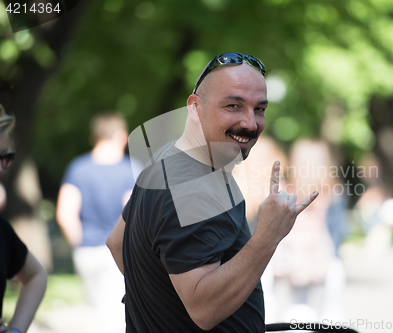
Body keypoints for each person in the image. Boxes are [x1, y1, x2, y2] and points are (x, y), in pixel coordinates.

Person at [106, 52, 318, 332]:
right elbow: (204, 309)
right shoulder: (196, 185)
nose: (250, 123)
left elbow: (116, 241)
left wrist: (161, 303)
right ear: (195, 108)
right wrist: (268, 237)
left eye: (259, 109)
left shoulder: (167, 158)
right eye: (233, 105)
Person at [56, 112, 136, 332]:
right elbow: (133, 214)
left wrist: (79, 241)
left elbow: (65, 212)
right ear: (121, 136)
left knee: (95, 311)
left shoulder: (78, 168)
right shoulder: (129, 169)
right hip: (118, 250)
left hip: (86, 251)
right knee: (117, 316)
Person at [0, 104, 47, 333]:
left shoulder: (1, 230)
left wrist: (17, 329)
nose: (1, 169)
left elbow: (36, 276)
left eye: (5, 157)